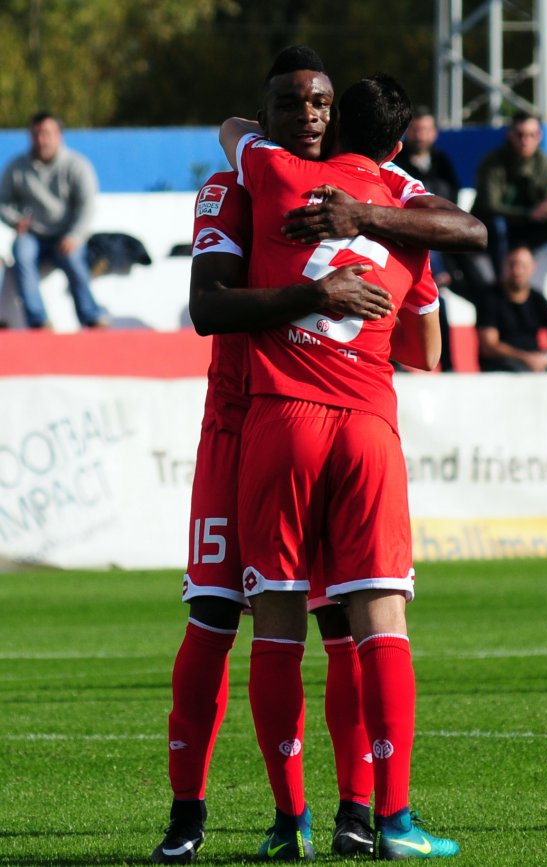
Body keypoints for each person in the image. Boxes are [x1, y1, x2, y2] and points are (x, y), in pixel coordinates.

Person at [152, 47, 483, 865]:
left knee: (331, 620)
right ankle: (198, 815)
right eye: (295, 102)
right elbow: (208, 307)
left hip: (286, 416)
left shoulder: (354, 189)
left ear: (340, 114)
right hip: (241, 418)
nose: (310, 114)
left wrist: (356, 225)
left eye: (323, 103)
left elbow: (450, 236)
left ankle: (352, 813)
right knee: (215, 613)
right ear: (267, 116)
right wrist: (322, 289)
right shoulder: (240, 185)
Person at [220, 71, 460, 861]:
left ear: (329, 123)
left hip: (279, 419)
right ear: (396, 147)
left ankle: (290, 823)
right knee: (378, 620)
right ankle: (391, 819)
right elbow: (426, 352)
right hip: (364, 423)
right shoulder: (409, 220)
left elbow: (231, 130)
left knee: (279, 625)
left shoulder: (273, 170)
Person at [0, 111, 107, 329]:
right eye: (36, 134)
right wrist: (15, 220)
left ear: (59, 136)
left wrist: (75, 236)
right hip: (32, 236)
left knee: (75, 259)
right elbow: (3, 202)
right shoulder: (16, 167)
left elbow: (86, 207)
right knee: (21, 252)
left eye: (47, 134)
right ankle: (38, 321)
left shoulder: (77, 166)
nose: (41, 140)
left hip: (65, 235)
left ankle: (91, 317)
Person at [471, 110, 547, 317]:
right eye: (520, 134)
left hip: (529, 230)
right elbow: (489, 205)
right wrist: (529, 213)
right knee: (497, 226)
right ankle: (502, 290)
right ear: (510, 135)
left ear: (539, 136)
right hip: (498, 230)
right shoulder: (493, 161)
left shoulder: (543, 161)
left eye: (531, 135)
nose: (525, 140)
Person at [394, 106, 461, 370]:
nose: (420, 135)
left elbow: (453, 213)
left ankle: (451, 369)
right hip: (404, 237)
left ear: (434, 133)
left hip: (437, 242)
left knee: (441, 304)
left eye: (425, 130)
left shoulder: (444, 163)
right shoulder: (397, 166)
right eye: (415, 129)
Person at [476, 245, 547, 372]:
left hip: (536, 360)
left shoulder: (538, 299)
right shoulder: (490, 299)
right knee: (518, 370)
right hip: (503, 363)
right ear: (504, 265)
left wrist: (546, 358)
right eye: (512, 265)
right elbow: (489, 346)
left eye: (523, 266)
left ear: (532, 267)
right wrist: (525, 358)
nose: (518, 270)